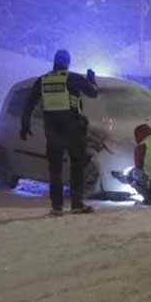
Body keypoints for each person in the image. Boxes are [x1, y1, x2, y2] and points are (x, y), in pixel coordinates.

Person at [20, 48, 100, 215]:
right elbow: (93, 93)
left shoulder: (42, 81)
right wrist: (92, 78)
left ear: (54, 62)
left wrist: (25, 125)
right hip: (73, 131)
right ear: (68, 63)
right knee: (77, 166)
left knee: (55, 169)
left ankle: (57, 206)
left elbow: (29, 104)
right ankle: (77, 203)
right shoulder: (72, 78)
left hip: (52, 130)